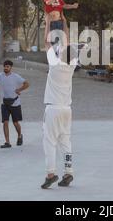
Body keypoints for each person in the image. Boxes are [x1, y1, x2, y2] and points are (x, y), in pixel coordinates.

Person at [41, 41, 79, 189]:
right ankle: (69, 172)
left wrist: (49, 20)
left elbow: (46, 42)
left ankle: (50, 174)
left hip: (53, 109)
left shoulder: (55, 65)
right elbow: (69, 49)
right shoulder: (72, 65)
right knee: (66, 143)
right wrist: (63, 20)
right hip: (66, 109)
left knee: (49, 142)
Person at [0, 60, 30, 149]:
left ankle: (19, 136)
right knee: (5, 122)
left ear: (11, 67)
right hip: (5, 103)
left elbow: (27, 84)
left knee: (15, 123)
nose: (6, 68)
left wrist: (19, 90)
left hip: (15, 103)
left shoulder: (16, 76)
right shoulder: (0, 75)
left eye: (7, 66)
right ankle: (7, 142)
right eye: (5, 66)